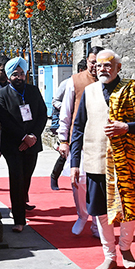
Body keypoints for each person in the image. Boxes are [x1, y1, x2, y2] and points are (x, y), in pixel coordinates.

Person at [70, 49, 135, 269]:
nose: (102, 69)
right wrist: (75, 163)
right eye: (99, 65)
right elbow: (78, 128)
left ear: (118, 68)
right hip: (97, 161)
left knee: (129, 208)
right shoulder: (89, 92)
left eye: (108, 65)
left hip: (128, 161)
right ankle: (109, 255)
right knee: (101, 211)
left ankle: (125, 247)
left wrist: (127, 127)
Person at [0, 56, 47, 233]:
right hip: (13, 145)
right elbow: (5, 120)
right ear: (9, 76)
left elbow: (42, 114)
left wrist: (32, 136)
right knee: (16, 179)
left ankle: (20, 206)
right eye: (15, 74)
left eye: (22, 74)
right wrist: (23, 137)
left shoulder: (33, 91)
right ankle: (19, 219)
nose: (19, 77)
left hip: (32, 143)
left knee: (25, 178)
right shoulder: (1, 94)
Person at [58, 48, 102, 236]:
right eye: (93, 62)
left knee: (100, 184)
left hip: (102, 141)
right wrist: (62, 139)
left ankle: (97, 222)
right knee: (79, 181)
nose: (95, 67)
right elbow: (66, 112)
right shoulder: (74, 81)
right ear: (87, 61)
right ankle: (82, 215)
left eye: (99, 63)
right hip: (80, 140)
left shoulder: (108, 82)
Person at [48, 59, 87, 191]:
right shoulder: (68, 83)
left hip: (86, 123)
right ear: (82, 70)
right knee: (66, 153)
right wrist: (68, 108)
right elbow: (55, 101)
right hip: (71, 122)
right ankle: (54, 176)